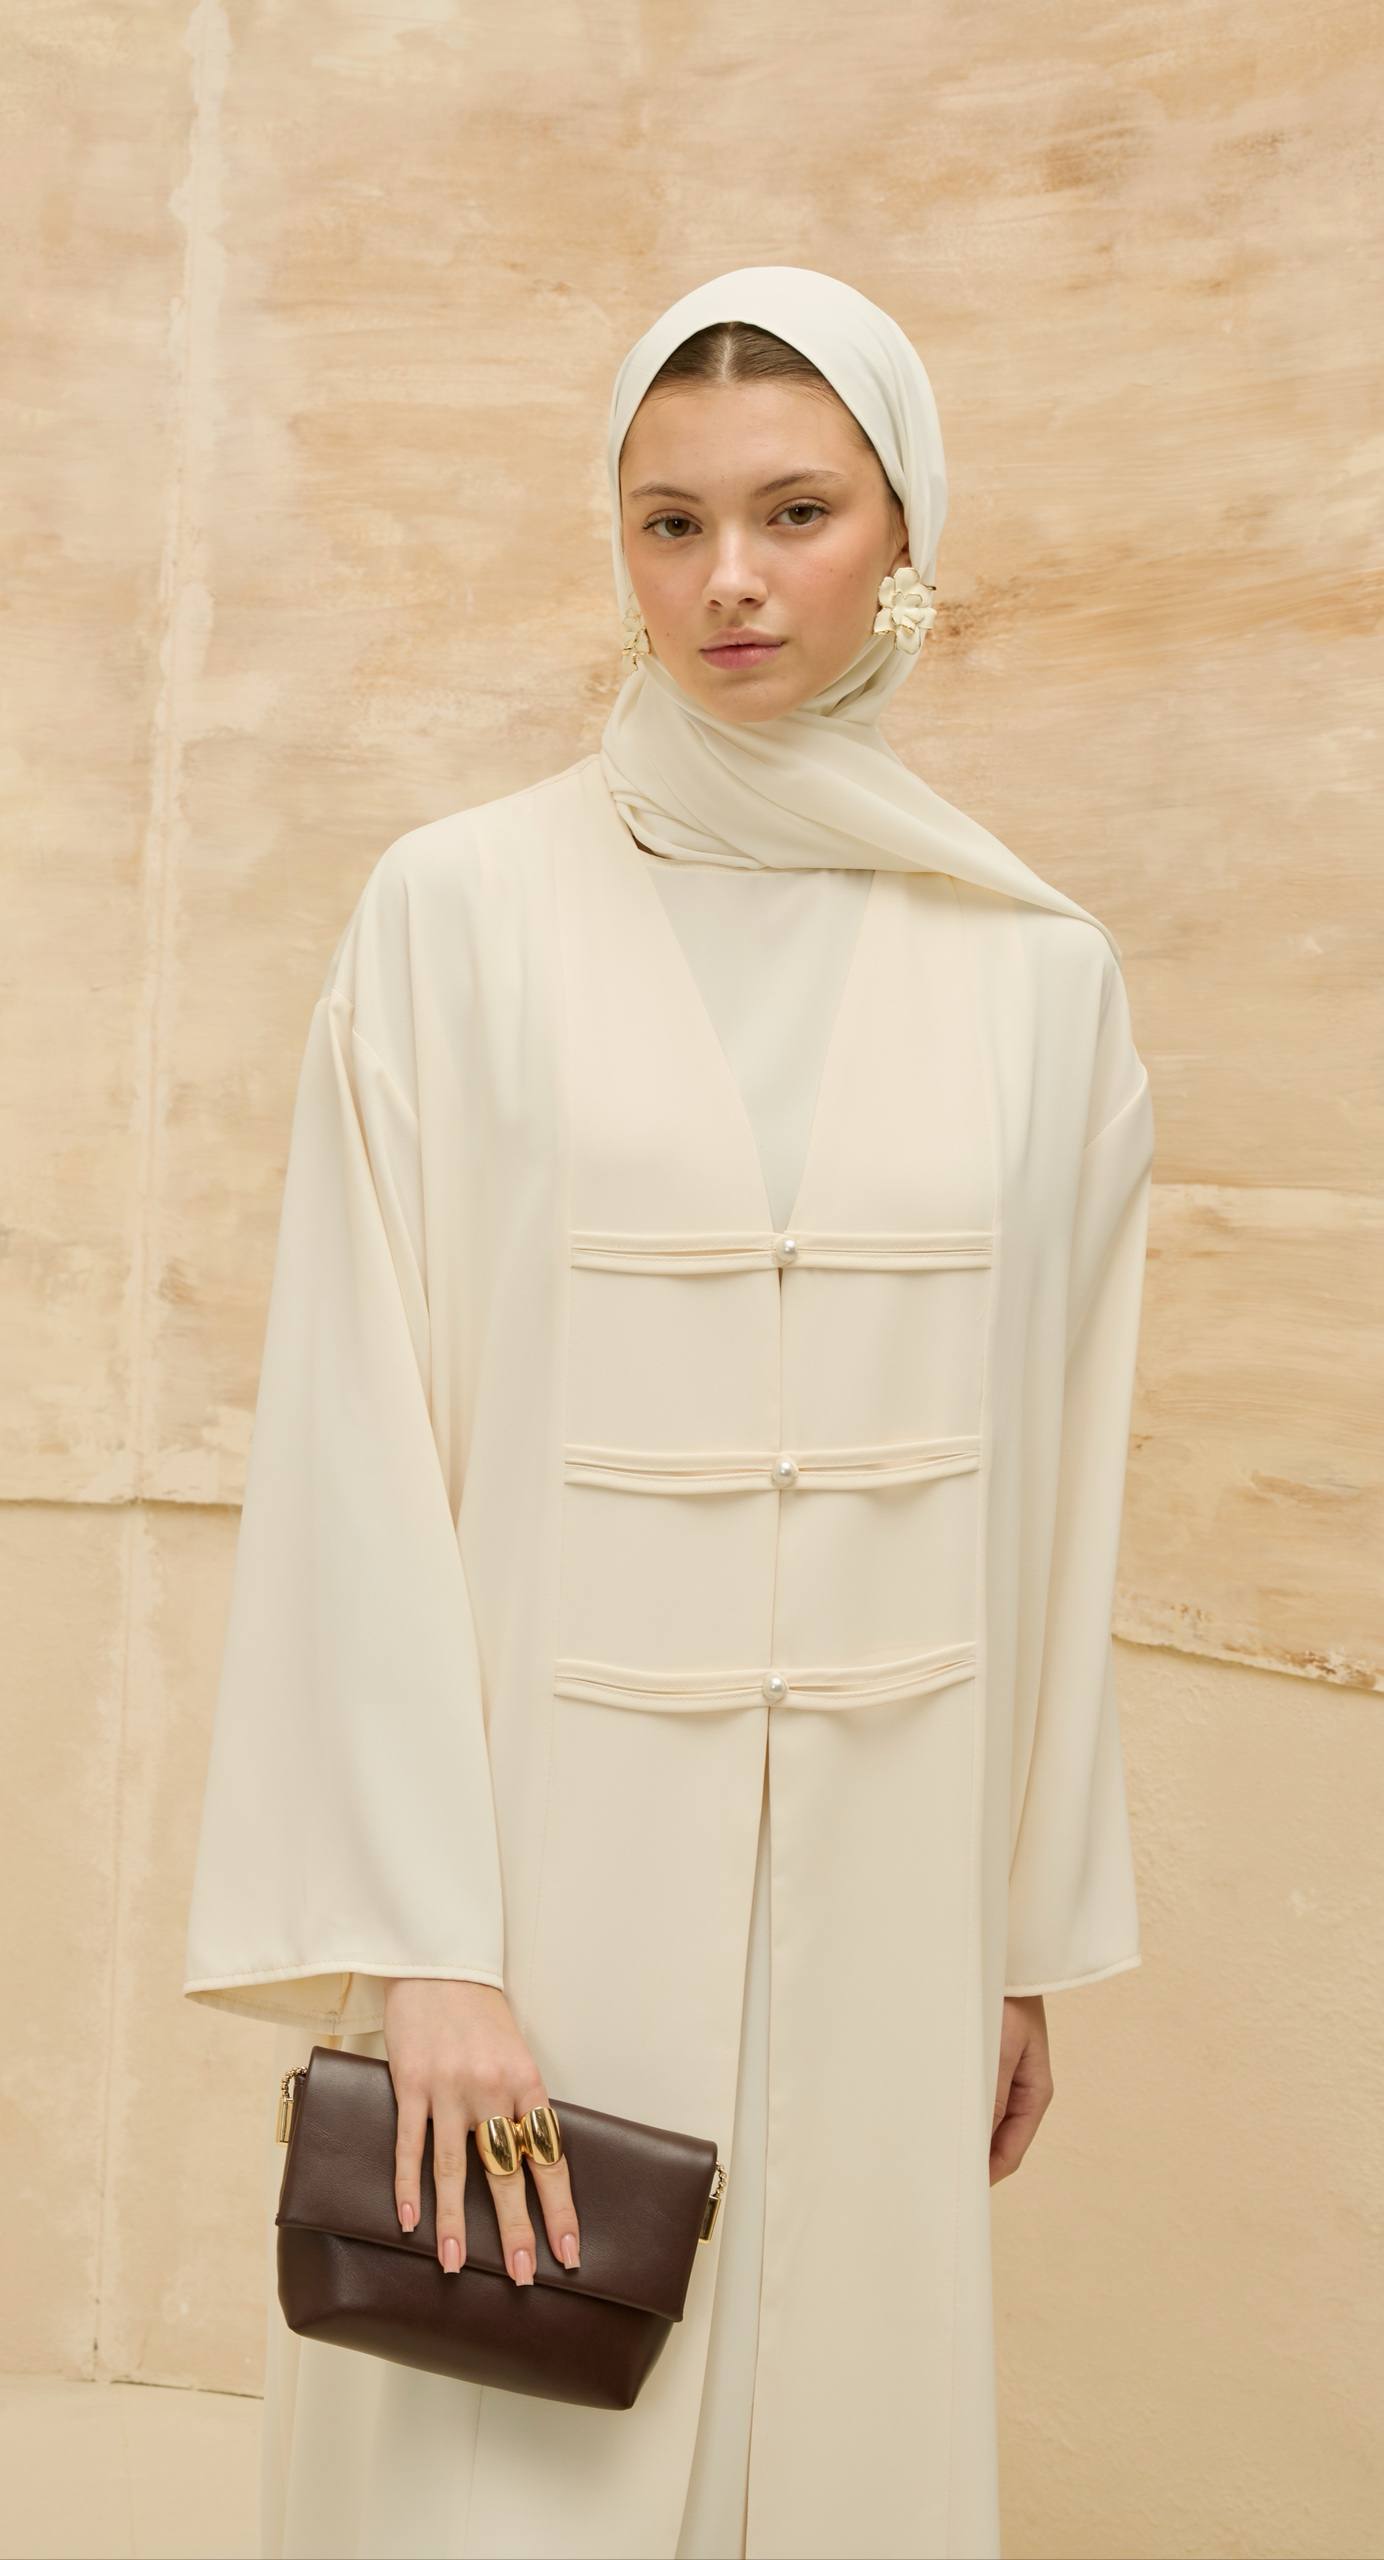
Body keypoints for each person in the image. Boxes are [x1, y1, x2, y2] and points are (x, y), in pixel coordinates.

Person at [183, 265, 1155, 2560]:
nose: (728, 578)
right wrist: (427, 1939)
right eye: (667, 520)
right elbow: (354, 1433)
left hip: (890, 1895)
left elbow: (1055, 1473)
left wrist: (1013, 1933)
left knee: (831, 2441)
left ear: (900, 532)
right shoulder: (456, 913)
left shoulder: (1033, 974)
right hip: (534, 1874)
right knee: (502, 2473)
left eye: (794, 511)